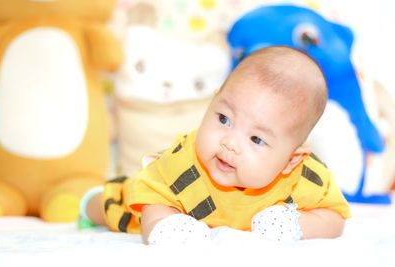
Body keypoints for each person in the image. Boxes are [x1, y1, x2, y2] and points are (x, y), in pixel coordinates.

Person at [80, 46, 351, 244]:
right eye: (224, 118)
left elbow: (334, 219)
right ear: (212, 101)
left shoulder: (303, 179)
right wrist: (165, 223)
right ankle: (88, 200)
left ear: (291, 160)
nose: (230, 143)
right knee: (112, 206)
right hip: (141, 198)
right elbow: (153, 201)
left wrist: (297, 224)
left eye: (256, 139)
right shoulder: (182, 163)